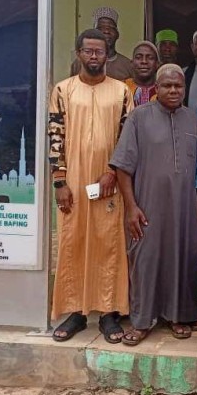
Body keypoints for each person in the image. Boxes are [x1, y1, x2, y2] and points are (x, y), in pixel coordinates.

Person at [110, 63, 197, 345]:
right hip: (147, 205)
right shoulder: (139, 117)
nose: (173, 90)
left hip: (184, 207)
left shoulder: (193, 119)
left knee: (182, 258)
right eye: (167, 85)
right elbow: (122, 167)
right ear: (157, 88)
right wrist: (131, 207)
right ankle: (141, 321)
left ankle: (178, 316)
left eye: (178, 86)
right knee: (146, 260)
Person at [49, 29, 133, 343]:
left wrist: (113, 171)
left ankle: (109, 312)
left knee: (108, 243)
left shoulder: (121, 91)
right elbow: (55, 136)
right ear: (79, 53)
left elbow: (127, 138)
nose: (94, 56)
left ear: (107, 54)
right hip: (73, 181)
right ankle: (76, 313)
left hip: (109, 183)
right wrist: (60, 182)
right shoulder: (63, 90)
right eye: (88, 51)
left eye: (99, 51)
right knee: (74, 242)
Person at [69, 7, 135, 81]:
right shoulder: (79, 63)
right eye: (101, 28)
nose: (106, 31)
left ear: (117, 34)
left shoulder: (128, 66)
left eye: (111, 28)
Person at [124, 40, 160, 107]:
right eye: (138, 57)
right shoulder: (121, 88)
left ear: (157, 64)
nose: (144, 61)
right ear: (132, 63)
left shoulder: (163, 89)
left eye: (150, 58)